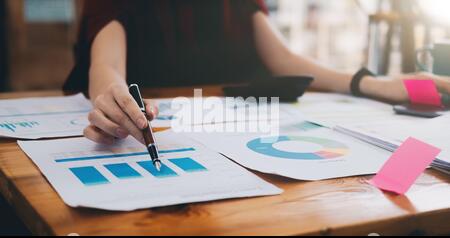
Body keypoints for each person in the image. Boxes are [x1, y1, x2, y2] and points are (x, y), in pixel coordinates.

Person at [64, 0, 450, 145]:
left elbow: (286, 62)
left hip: (230, 133)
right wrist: (112, 97)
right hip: (164, 129)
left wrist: (373, 84)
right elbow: (107, 66)